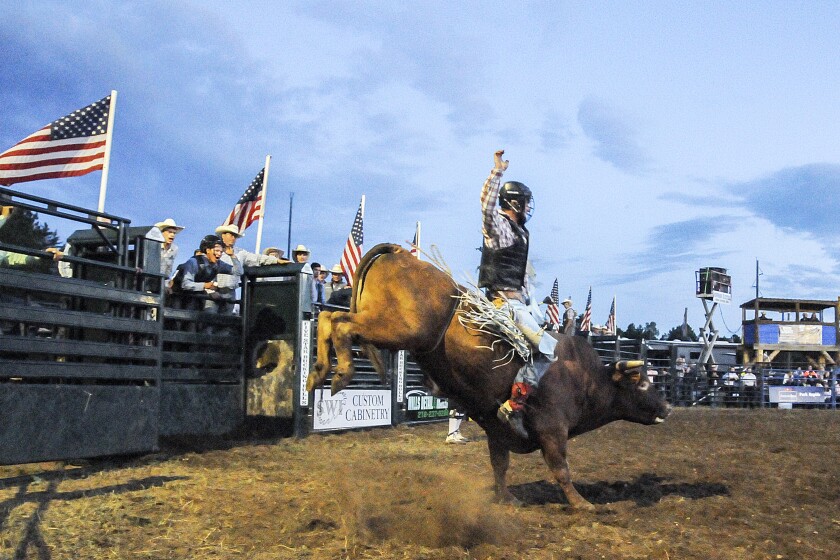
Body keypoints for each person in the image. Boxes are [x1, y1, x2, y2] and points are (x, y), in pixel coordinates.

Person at [478, 149, 557, 438]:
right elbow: (486, 208)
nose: (527, 207)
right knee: (546, 350)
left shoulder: (518, 233)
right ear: (514, 203)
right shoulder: (501, 227)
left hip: (516, 303)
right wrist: (497, 172)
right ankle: (514, 405)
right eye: (524, 202)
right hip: (504, 304)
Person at [213, 224, 279, 313]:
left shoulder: (240, 253)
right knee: (209, 317)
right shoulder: (214, 250)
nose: (233, 238)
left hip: (230, 291)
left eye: (235, 236)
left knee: (226, 320)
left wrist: (276, 260)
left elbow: (257, 258)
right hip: (214, 290)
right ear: (223, 235)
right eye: (231, 235)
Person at [154, 218, 184, 289]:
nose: (172, 235)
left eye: (174, 233)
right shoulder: (154, 245)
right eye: (169, 232)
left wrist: (167, 286)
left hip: (161, 284)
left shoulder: (174, 249)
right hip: (148, 281)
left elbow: (168, 270)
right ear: (162, 233)